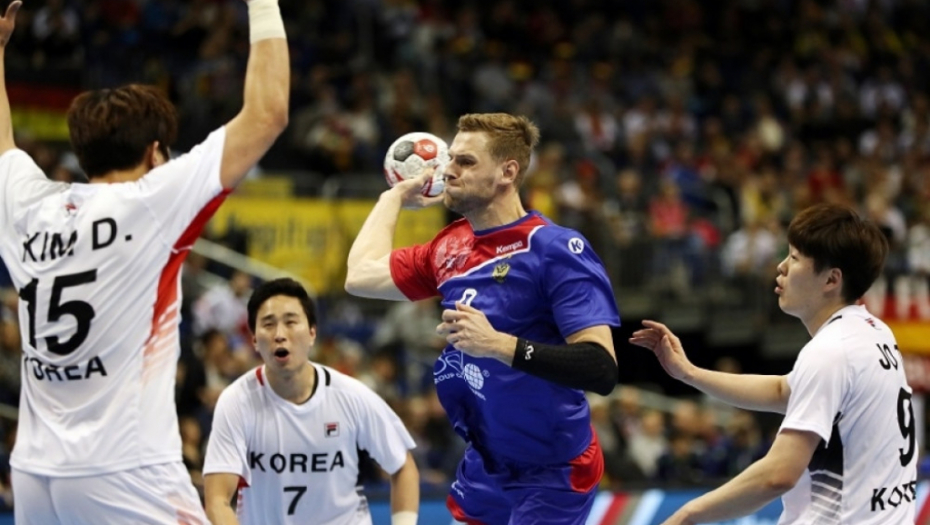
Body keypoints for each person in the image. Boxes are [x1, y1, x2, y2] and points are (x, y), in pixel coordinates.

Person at [0, 0, 290, 522]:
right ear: (156, 152)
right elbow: (267, 114)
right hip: (126, 470)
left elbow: (2, 144)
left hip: (35, 471)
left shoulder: (29, 207)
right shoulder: (152, 201)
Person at [345, 113, 621, 524]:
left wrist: (497, 344)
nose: (448, 171)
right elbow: (359, 275)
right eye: (450, 159)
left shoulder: (555, 249)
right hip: (485, 462)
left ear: (507, 172)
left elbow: (601, 368)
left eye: (466, 162)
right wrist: (394, 197)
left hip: (553, 471)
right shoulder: (450, 246)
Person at [631, 203, 916, 525]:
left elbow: (779, 474)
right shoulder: (873, 333)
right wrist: (689, 372)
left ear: (831, 279)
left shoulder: (831, 352)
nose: (781, 266)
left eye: (794, 258)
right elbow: (784, 390)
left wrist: (688, 514)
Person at [202, 278, 420, 525]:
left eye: (291, 322)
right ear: (253, 340)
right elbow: (217, 500)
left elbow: (402, 466)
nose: (280, 335)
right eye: (268, 324)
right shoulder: (236, 401)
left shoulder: (351, 396)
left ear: (312, 333)